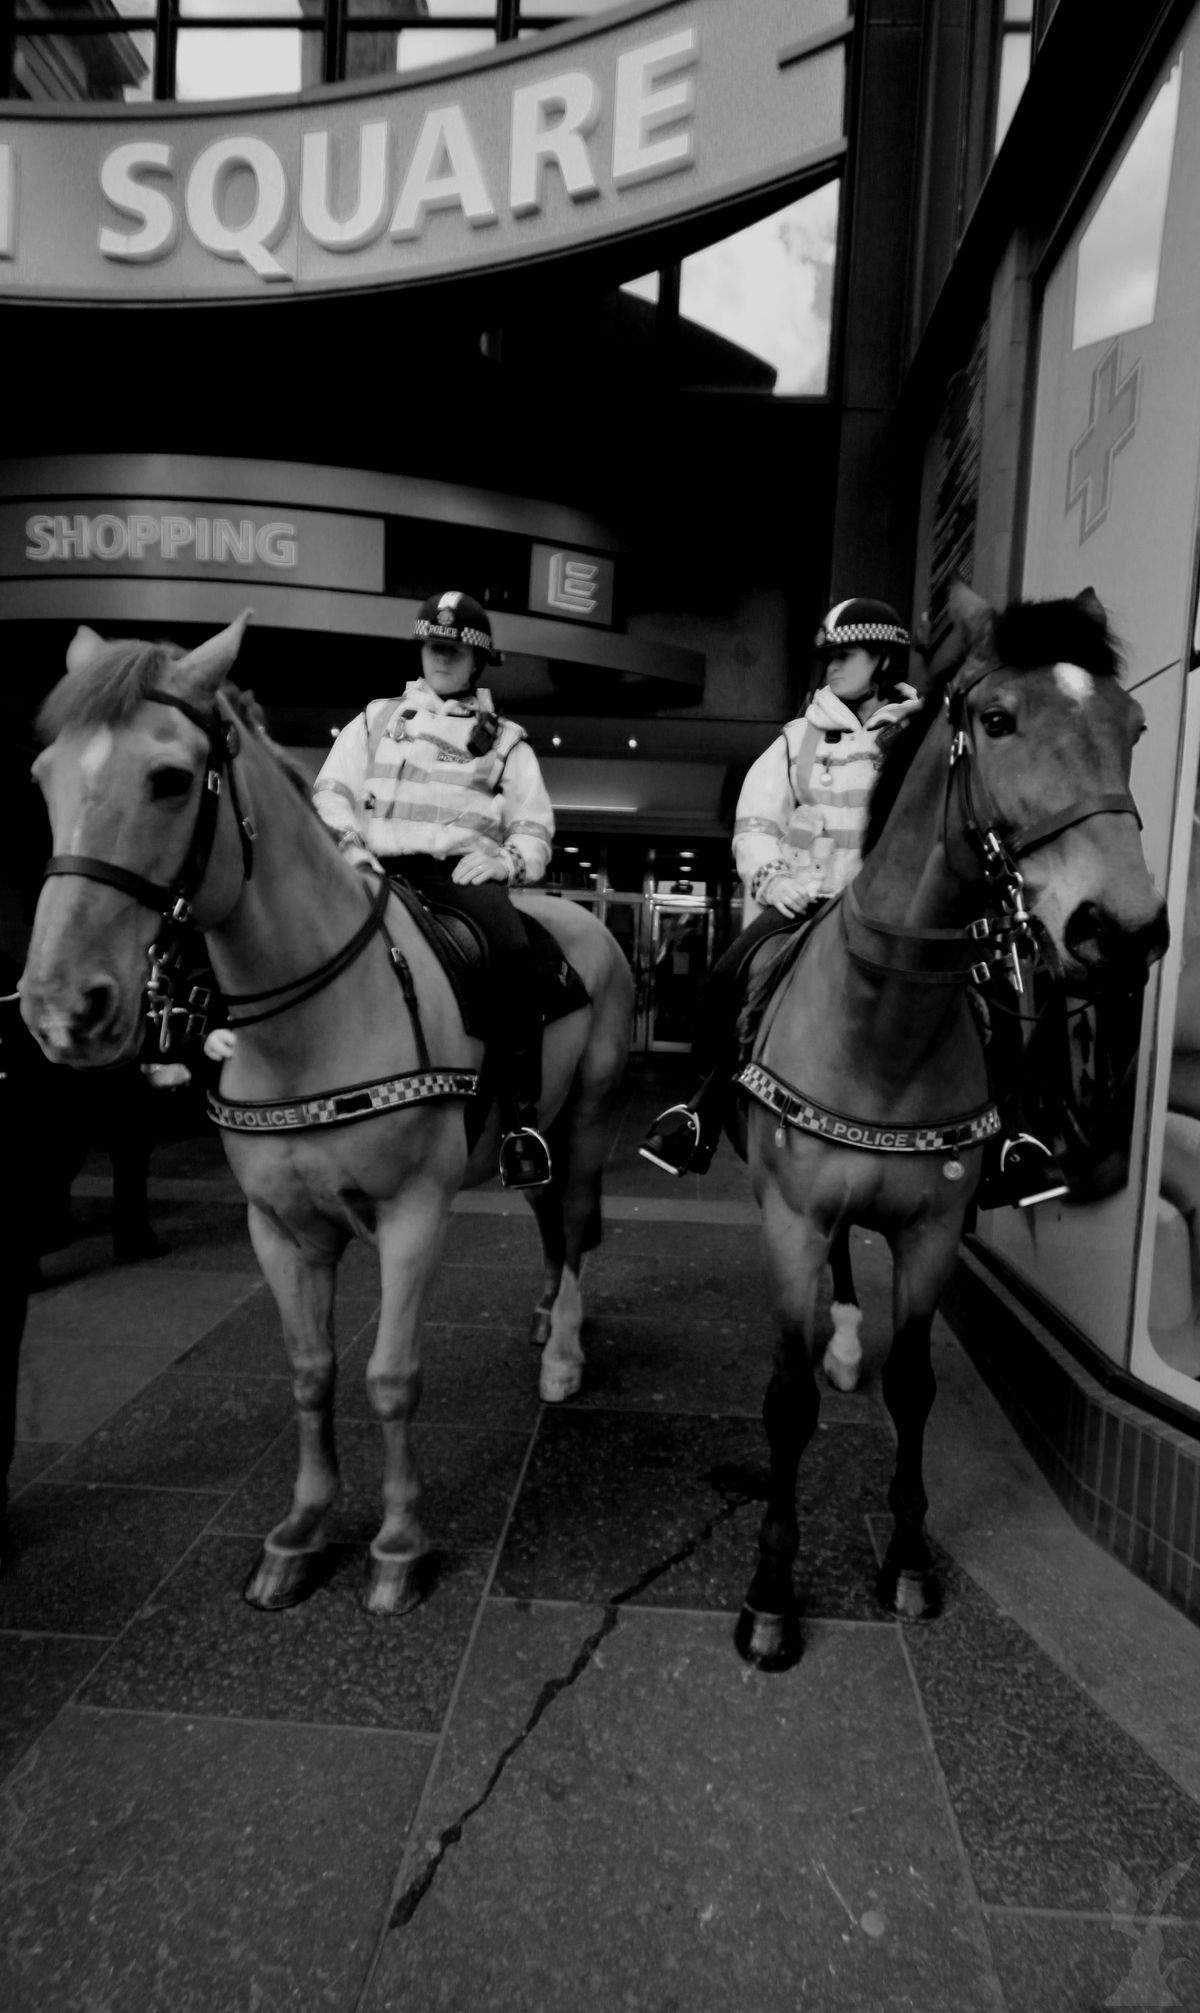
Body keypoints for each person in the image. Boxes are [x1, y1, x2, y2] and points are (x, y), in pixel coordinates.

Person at [639, 596, 1068, 1209]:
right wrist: (769, 877)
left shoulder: (928, 735)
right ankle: (702, 1111)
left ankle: (1012, 1139)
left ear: (883, 657)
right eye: (829, 657)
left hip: (906, 918)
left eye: (846, 655)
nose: (832, 668)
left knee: (993, 993)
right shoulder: (795, 741)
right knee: (728, 977)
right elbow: (755, 823)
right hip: (807, 904)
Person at [313, 590, 556, 1189]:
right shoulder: (374, 717)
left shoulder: (506, 740)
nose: (441, 656)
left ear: (478, 662)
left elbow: (533, 824)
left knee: (513, 948)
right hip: (374, 872)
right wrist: (352, 853)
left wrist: (507, 861)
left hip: (457, 881)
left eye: (455, 649)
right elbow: (330, 794)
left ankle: (521, 1121)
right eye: (433, 645)